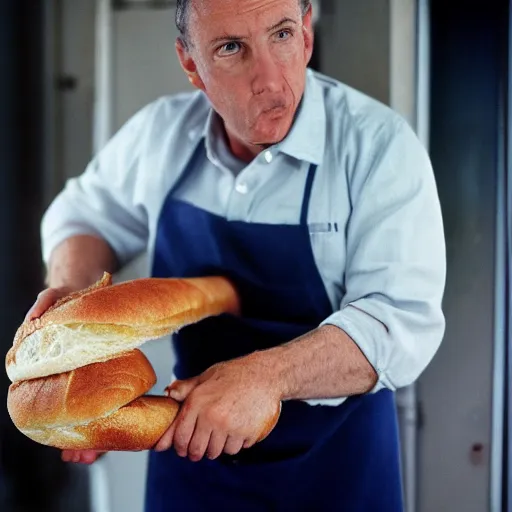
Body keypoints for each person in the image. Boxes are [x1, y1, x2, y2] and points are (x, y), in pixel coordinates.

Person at [28, 0, 446, 510]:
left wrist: (268, 377)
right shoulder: (160, 136)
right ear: (191, 64)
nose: (270, 79)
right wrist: (75, 311)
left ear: (308, 34)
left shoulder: (377, 147)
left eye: (282, 35)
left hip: (336, 473)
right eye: (231, 48)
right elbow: (84, 217)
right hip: (190, 469)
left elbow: (399, 320)